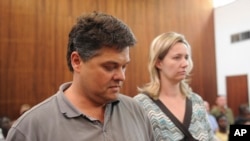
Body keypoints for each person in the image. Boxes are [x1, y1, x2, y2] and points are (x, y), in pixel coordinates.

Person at [6, 11, 155, 141]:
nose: (121, 76)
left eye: (124, 67)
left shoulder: (136, 112)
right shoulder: (31, 129)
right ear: (77, 61)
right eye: (110, 67)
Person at [134, 32, 215, 140]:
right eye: (177, 57)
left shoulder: (196, 101)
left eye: (186, 57)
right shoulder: (141, 105)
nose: (185, 63)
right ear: (158, 63)